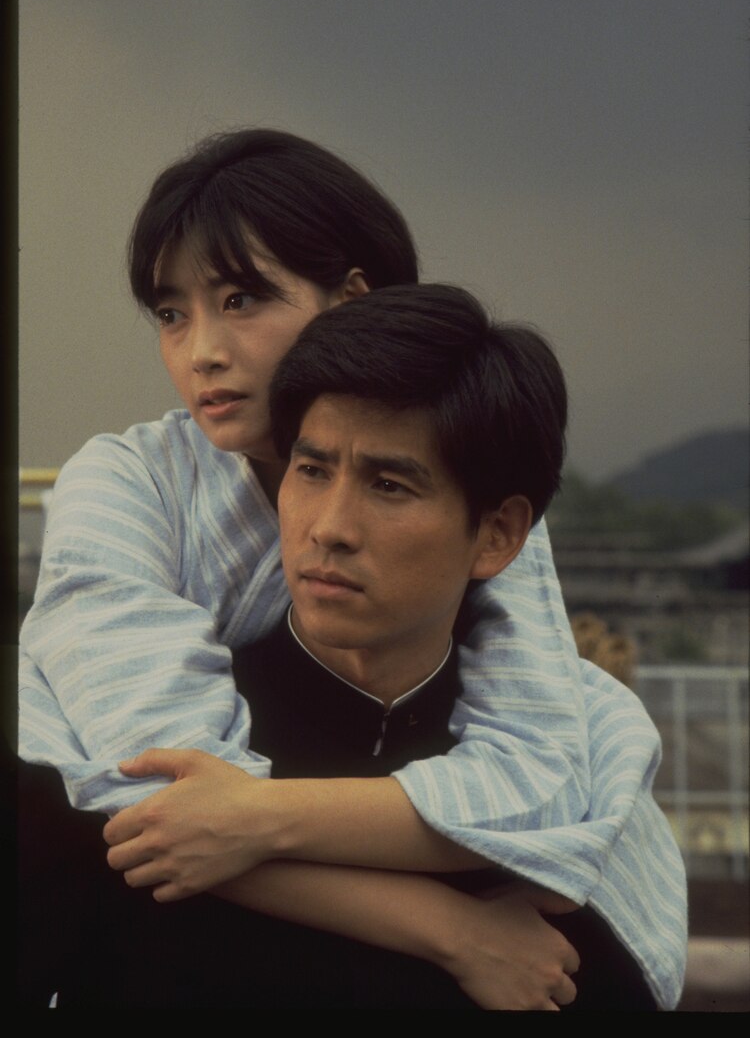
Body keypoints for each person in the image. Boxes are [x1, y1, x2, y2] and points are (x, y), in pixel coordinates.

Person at [18, 132, 686, 1008]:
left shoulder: (474, 483)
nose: (201, 350)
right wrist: (448, 928)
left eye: (241, 298)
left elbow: (535, 775)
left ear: (351, 302)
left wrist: (256, 816)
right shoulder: (125, 482)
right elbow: (164, 801)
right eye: (172, 313)